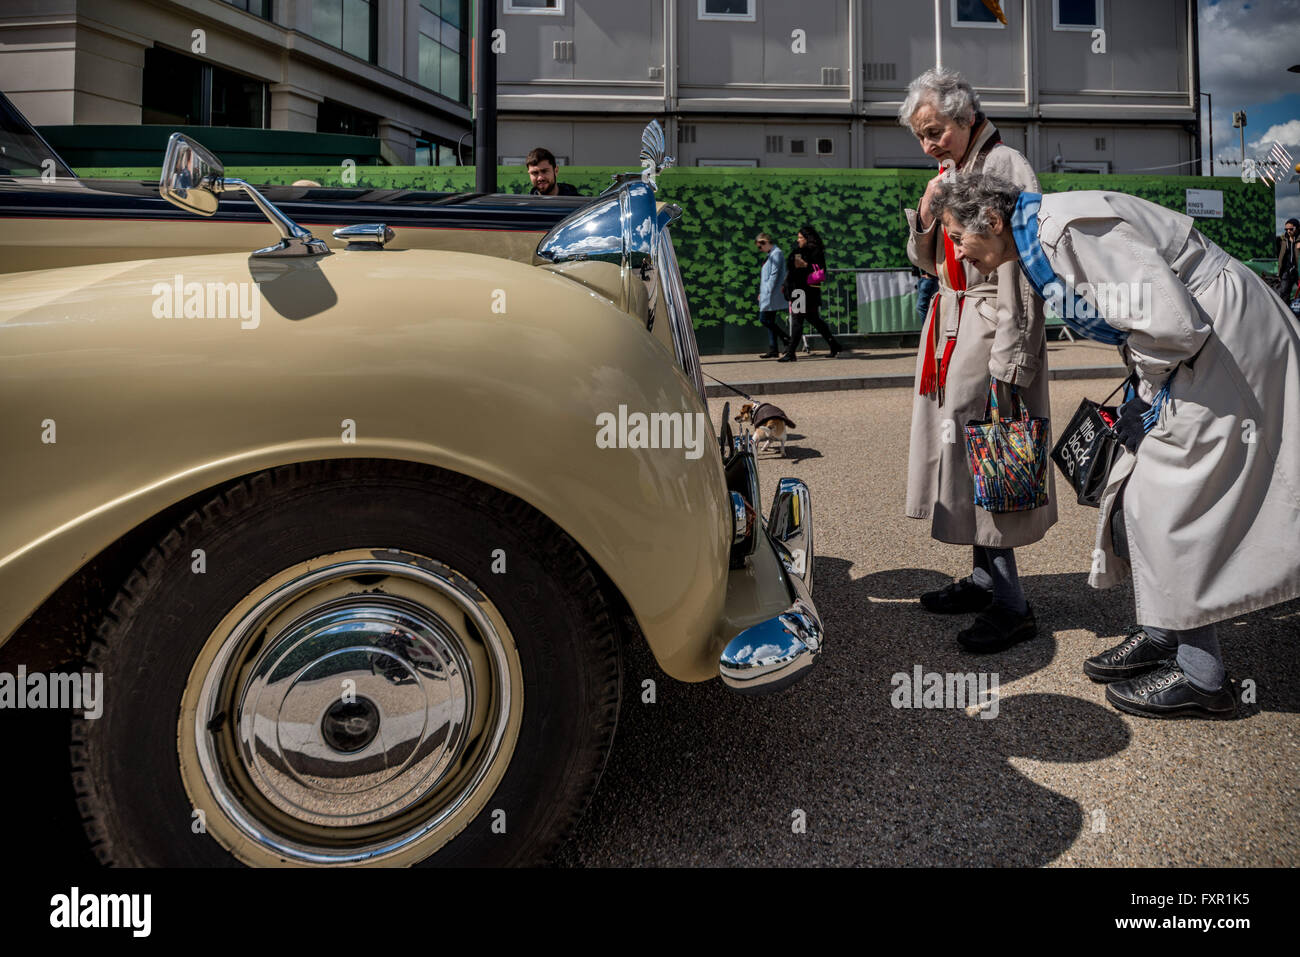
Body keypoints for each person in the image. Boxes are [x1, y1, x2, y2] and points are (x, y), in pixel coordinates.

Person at [929, 170, 1300, 719]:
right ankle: (1165, 633)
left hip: (1218, 345)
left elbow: (1172, 326)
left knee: (1167, 498)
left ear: (995, 219)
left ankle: (1203, 677)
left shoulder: (1066, 230)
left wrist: (1146, 395)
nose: (957, 252)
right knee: (1136, 490)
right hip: (1199, 347)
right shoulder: (1042, 233)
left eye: (958, 237)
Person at [898, 67, 1056, 652]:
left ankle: (1013, 606)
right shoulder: (953, 172)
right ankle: (988, 578)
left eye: (935, 130)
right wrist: (924, 215)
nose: (928, 143)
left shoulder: (1005, 165)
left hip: (990, 325)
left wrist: (1014, 358)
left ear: (966, 117)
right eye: (921, 135)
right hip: (952, 324)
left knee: (990, 457)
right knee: (967, 458)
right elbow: (928, 263)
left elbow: (1022, 265)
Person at [778, 225, 841, 361]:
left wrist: (805, 265)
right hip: (803, 291)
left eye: (800, 237)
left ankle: (790, 353)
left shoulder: (813, 252)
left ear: (807, 238)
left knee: (797, 321)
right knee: (814, 320)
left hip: (802, 291)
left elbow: (820, 270)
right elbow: (792, 271)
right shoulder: (803, 252)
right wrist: (785, 284)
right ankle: (834, 345)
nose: (798, 240)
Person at [754, 232, 791, 358]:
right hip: (768, 293)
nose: (760, 249)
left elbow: (774, 275)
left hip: (771, 293)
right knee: (769, 320)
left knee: (764, 319)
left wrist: (766, 292)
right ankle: (773, 349)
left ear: (766, 242)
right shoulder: (772, 254)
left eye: (760, 246)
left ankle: (786, 338)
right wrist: (762, 292)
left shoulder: (777, 254)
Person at [1277, 217, 1299, 301]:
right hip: (1287, 270)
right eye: (1286, 229)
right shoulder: (1283, 240)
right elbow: (1281, 257)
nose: (1288, 231)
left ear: (1297, 228)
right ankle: (1286, 313)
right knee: (1283, 293)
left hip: (1298, 270)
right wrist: (1280, 272)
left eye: (1291, 229)